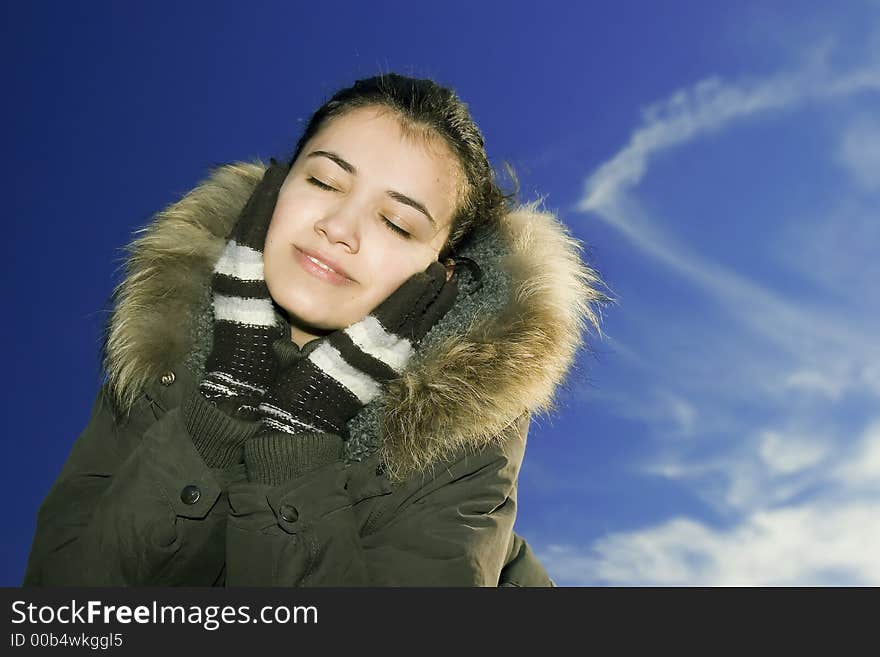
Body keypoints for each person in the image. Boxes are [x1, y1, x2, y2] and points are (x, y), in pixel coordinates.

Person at [23, 72, 611, 586]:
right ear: (276, 191)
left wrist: (298, 442)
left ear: (441, 276)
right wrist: (218, 408)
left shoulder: (465, 438)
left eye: (397, 223)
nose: (339, 227)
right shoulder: (169, 350)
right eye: (325, 182)